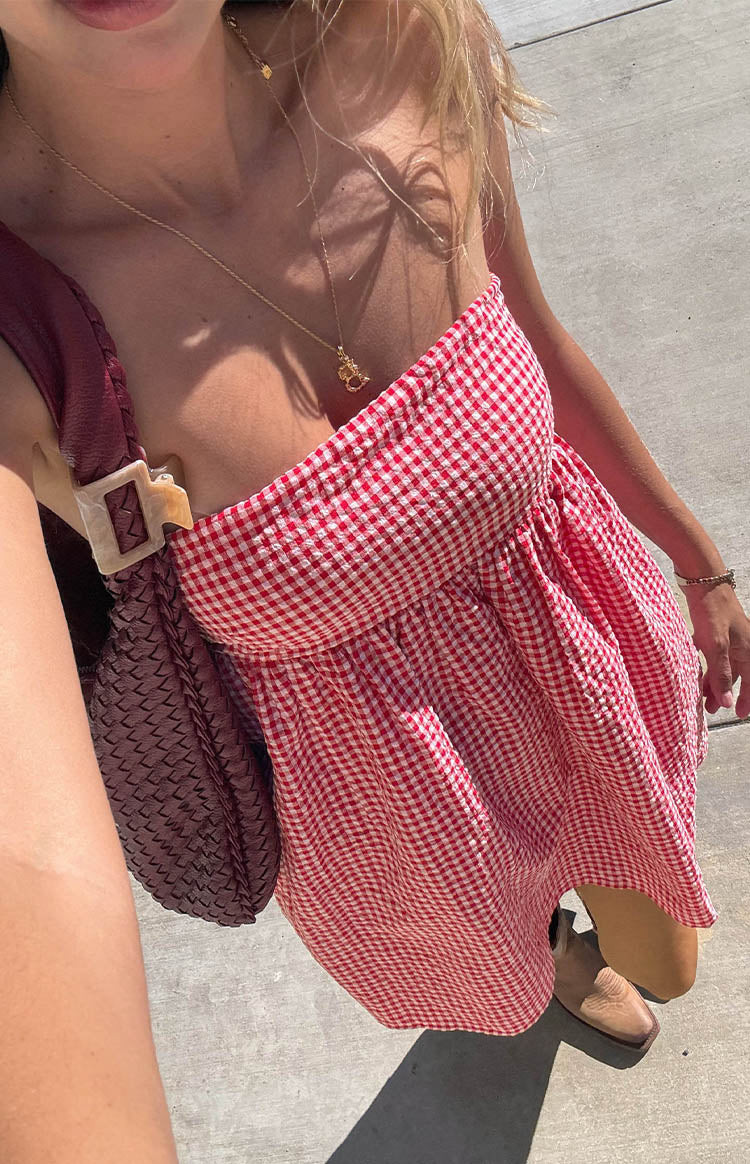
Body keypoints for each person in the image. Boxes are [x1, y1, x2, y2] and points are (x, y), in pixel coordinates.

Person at [0, 0, 747, 1156]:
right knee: (503, 972)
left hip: (589, 696)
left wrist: (702, 564)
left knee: (670, 964)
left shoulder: (403, 42)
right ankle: (552, 951)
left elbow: (540, 341)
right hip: (408, 828)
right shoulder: (17, 331)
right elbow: (29, 867)